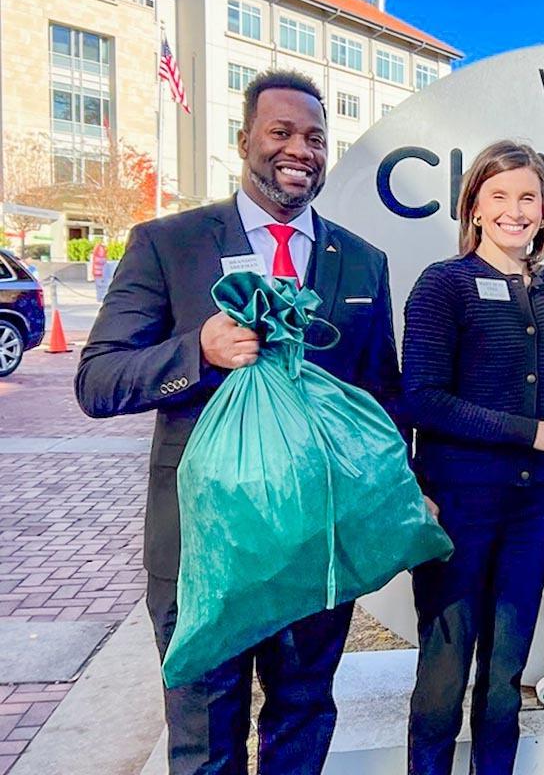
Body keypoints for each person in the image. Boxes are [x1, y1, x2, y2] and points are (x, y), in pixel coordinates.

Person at [75, 69, 403, 775]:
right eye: (281, 132)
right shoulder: (170, 244)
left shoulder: (363, 263)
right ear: (244, 140)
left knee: (304, 717)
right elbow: (97, 380)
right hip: (205, 554)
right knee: (203, 742)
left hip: (316, 550)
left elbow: (384, 402)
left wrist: (401, 495)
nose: (300, 149)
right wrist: (197, 350)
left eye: (315, 137)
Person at [402, 140, 544, 775]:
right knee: (445, 674)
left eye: (528, 197)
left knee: (506, 676)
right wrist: (529, 431)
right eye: (499, 196)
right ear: (474, 206)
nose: (515, 210)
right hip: (458, 508)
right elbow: (422, 398)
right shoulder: (443, 285)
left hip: (532, 509)